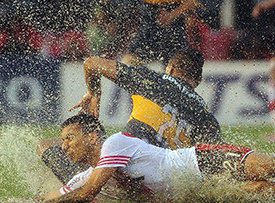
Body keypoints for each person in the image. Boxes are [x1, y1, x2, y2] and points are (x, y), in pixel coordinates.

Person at [39, 48, 222, 185]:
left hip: (122, 174)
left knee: (45, 146)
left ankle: (87, 191)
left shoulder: (152, 81)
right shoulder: (207, 119)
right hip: (160, 184)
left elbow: (91, 63)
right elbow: (213, 167)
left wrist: (94, 94)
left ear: (171, 69)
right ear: (197, 82)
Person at [38, 114, 275, 202]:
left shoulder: (114, 143)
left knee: (269, 167)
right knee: (264, 191)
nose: (64, 147)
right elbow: (56, 196)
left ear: (92, 137)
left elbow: (87, 192)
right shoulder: (90, 174)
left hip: (199, 160)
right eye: (62, 142)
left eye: (69, 138)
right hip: (197, 192)